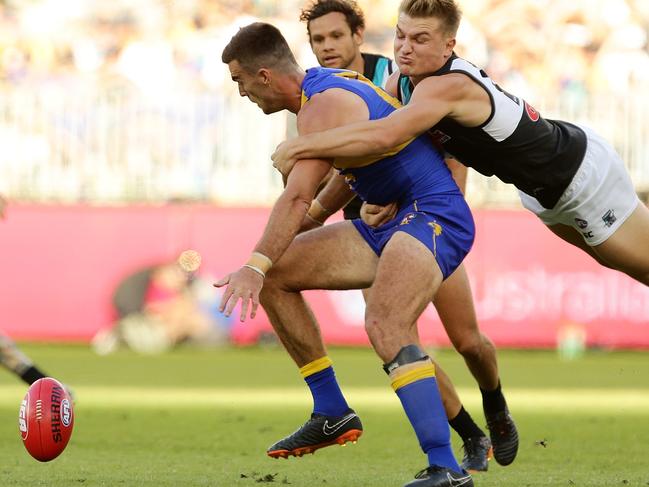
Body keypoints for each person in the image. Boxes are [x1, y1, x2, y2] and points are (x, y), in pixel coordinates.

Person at [218, 22, 474, 487]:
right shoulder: (321, 99)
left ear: (264, 75)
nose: (241, 94)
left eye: (239, 82)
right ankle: (331, 411)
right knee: (278, 273)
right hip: (389, 224)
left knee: (385, 322)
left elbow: (294, 197)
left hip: (435, 214)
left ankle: (447, 468)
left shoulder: (321, 107)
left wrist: (253, 265)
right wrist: (304, 230)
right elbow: (341, 174)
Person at [271, 0, 649, 288]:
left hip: (581, 176)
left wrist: (301, 146)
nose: (404, 48)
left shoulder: (445, 85)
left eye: (420, 39)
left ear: (449, 44)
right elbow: (371, 151)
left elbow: (383, 136)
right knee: (615, 263)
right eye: (401, 35)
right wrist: (324, 211)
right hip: (545, 192)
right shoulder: (401, 80)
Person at [300, 0, 507, 472]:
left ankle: (495, 404)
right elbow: (318, 178)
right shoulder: (315, 101)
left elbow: (445, 152)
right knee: (398, 339)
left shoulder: (398, 79)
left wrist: (420, 205)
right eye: (318, 40)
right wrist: (311, 217)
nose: (328, 47)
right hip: (370, 232)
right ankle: (469, 435)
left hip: (427, 220)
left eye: (336, 36)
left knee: (468, 339)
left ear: (359, 36)